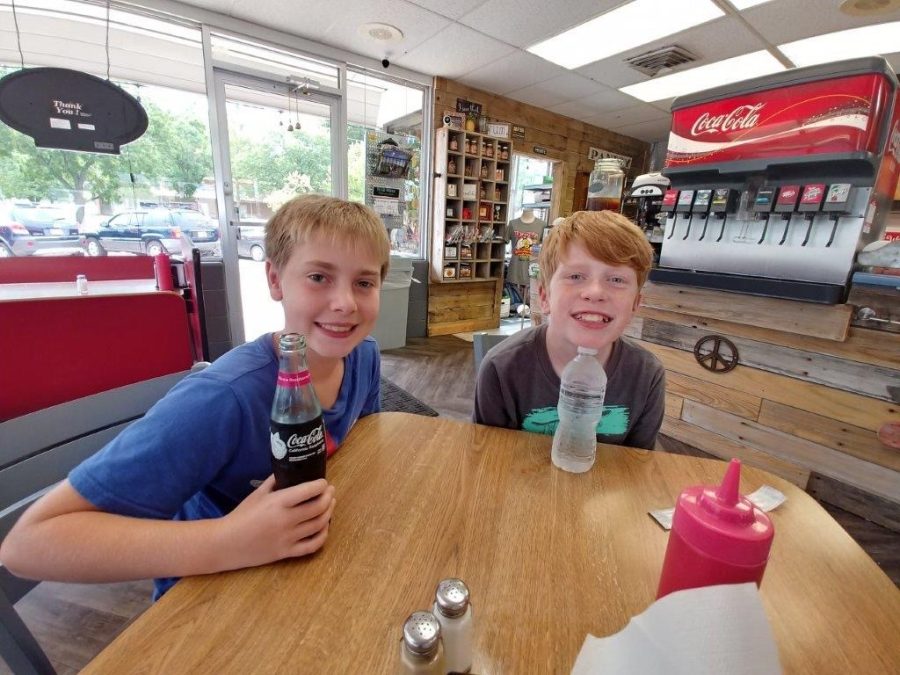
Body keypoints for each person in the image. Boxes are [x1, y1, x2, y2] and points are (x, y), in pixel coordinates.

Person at [0, 194, 391, 599]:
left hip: (307, 570)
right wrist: (229, 538)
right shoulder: (222, 398)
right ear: (275, 280)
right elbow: (27, 545)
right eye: (319, 277)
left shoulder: (363, 357)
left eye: (364, 283)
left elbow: (361, 452)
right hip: (207, 595)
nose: (345, 303)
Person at [474, 210, 665, 450]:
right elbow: (487, 460)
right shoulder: (501, 368)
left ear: (636, 303)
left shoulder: (647, 375)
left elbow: (639, 465)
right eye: (576, 276)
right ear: (545, 297)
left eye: (616, 280)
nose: (595, 292)